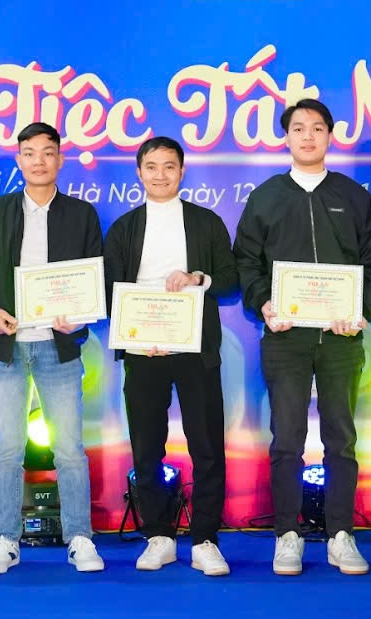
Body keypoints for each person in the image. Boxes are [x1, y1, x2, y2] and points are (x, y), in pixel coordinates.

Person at [233, 98, 371, 576]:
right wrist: (265, 303)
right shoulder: (266, 197)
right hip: (285, 339)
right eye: (299, 128)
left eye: (317, 128)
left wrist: (361, 311)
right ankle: (288, 534)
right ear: (286, 137)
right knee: (286, 439)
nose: (308, 136)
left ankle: (341, 535)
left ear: (329, 136)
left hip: (341, 339)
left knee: (341, 439)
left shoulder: (353, 196)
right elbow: (246, 262)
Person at [0, 122, 105, 574]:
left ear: (60, 159)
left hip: (58, 347)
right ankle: (5, 538)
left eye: (47, 152)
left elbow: (95, 275)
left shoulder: (81, 214)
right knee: (7, 448)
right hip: (7, 347)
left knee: (69, 449)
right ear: (19, 159)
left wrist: (81, 314)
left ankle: (80, 537)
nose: (38, 160)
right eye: (29, 153)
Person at [103, 136, 239, 576]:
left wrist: (199, 277)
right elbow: (109, 290)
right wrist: (134, 332)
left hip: (196, 349)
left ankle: (205, 539)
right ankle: (158, 536)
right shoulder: (124, 228)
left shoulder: (205, 222)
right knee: (146, 447)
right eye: (151, 166)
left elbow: (231, 280)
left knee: (207, 446)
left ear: (182, 171)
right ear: (139, 173)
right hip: (143, 350)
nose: (160, 174)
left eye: (169, 166)